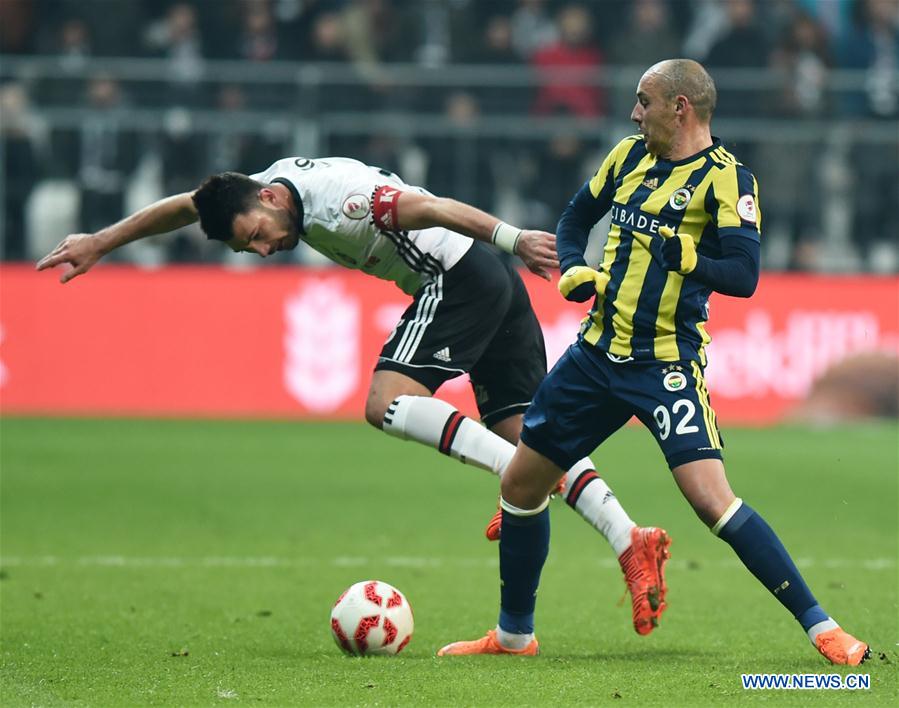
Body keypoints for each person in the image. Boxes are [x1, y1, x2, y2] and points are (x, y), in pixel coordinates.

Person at [37, 155, 671, 636]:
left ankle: (514, 482)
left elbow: (428, 206)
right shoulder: (269, 186)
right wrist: (100, 242)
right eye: (248, 247)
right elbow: (186, 204)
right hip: (487, 279)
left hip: (461, 276)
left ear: (267, 198)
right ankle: (629, 539)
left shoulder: (340, 201)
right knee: (530, 436)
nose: (263, 249)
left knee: (384, 403)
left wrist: (512, 237)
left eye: (255, 234)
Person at [436, 59, 869, 666]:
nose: (634, 113)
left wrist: (683, 253)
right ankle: (514, 637)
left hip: (664, 363)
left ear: (680, 107)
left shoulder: (728, 182)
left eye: (644, 102)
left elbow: (743, 276)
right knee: (520, 484)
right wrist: (574, 266)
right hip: (594, 355)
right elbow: (574, 217)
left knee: (712, 500)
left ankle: (825, 629)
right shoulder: (626, 157)